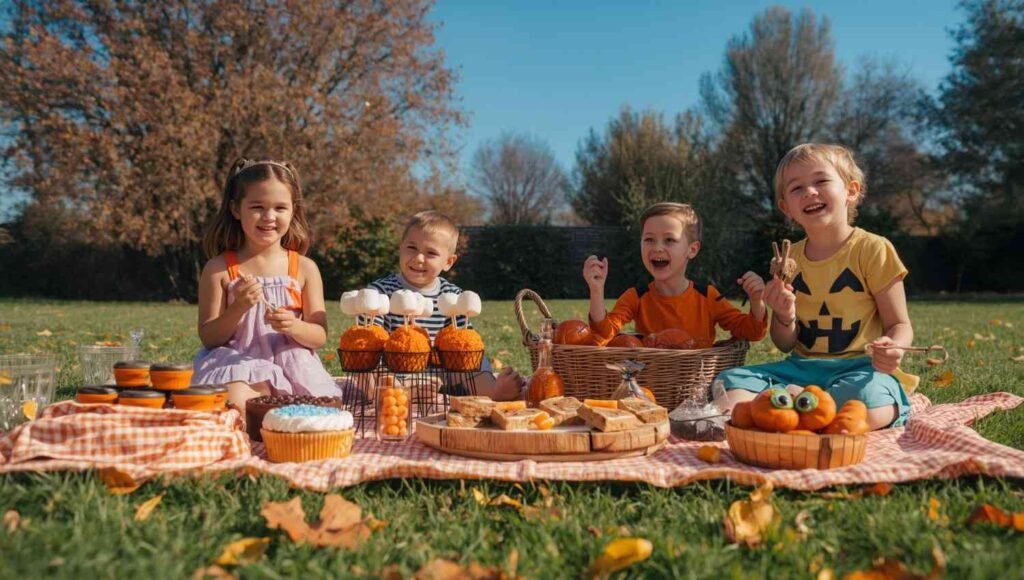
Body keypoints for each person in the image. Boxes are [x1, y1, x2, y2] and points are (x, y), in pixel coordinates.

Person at [714, 143, 913, 430]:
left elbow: (900, 323)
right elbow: (785, 342)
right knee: (729, 381)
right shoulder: (787, 260)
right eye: (797, 188)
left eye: (821, 181)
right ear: (787, 208)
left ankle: (788, 411)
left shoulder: (873, 250)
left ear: (851, 190)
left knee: (869, 398)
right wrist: (785, 316)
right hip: (801, 369)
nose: (809, 192)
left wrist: (895, 347)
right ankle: (807, 412)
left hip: (859, 369)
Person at [193, 157, 340, 413]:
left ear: (293, 210)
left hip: (292, 363)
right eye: (257, 206)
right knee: (238, 402)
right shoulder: (218, 269)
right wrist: (237, 308)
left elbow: (319, 336)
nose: (269, 217)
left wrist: (294, 326)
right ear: (236, 209)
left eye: (280, 208)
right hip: (238, 362)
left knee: (323, 408)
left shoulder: (304, 268)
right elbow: (209, 337)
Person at [368, 210, 524, 400]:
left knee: (473, 353)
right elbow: (372, 337)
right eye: (411, 248)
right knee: (367, 363)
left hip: (444, 373)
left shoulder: (453, 296)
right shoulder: (381, 291)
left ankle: (492, 391)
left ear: (448, 262)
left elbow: (463, 340)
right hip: (396, 370)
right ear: (400, 248)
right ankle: (395, 394)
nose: (418, 258)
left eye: (431, 253)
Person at [583, 202, 768, 347]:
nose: (657, 248)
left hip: (698, 383)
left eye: (669, 240)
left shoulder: (708, 297)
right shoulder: (636, 297)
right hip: (653, 383)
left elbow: (751, 332)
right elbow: (603, 335)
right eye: (649, 239)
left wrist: (757, 300)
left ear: (692, 249)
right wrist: (597, 291)